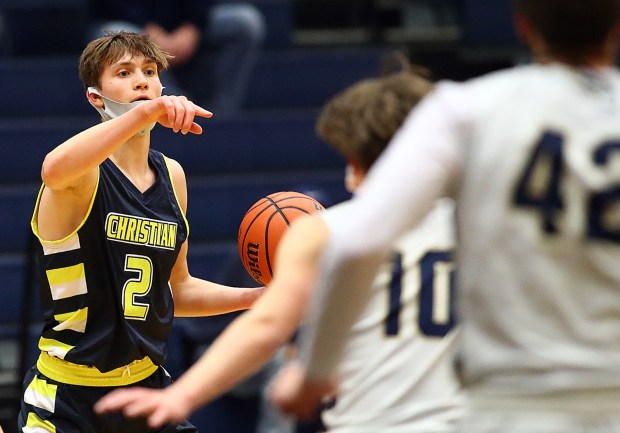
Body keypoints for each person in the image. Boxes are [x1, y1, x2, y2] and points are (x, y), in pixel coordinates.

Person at [265, 0, 620, 432]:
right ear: (616, 26)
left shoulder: (470, 108)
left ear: (522, 24)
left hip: (513, 400)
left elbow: (359, 242)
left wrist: (315, 372)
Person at [94, 56, 465, 433]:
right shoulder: (480, 229)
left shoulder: (325, 232)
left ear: (354, 163)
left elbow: (268, 326)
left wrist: (182, 395)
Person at [17, 31, 263, 433]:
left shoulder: (172, 176)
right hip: (69, 396)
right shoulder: (81, 175)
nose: (141, 81)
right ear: (96, 97)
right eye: (125, 72)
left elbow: (177, 291)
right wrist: (143, 114)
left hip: (145, 387)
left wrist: (258, 298)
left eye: (150, 72)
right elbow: (52, 169)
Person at [87, 0, 265, 115]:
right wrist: (150, 31)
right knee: (114, 36)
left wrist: (193, 26)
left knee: (245, 22)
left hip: (187, 25)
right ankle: (172, 108)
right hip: (132, 24)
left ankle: (221, 113)